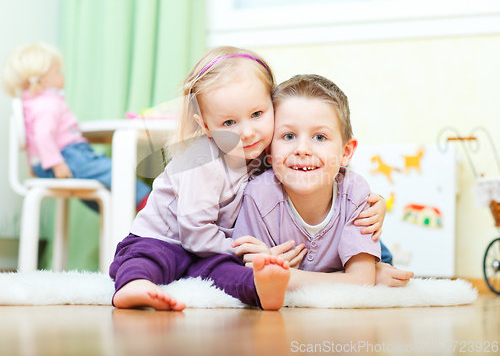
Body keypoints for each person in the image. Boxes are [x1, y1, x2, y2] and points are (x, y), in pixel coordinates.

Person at [108, 47, 388, 311]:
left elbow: (327, 183)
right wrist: (241, 250)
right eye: (229, 123)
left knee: (230, 274)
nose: (247, 132)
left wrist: (375, 204)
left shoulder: (265, 152)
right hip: (169, 238)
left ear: (273, 108)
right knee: (147, 258)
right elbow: (194, 233)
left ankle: (262, 290)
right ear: (206, 126)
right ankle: (133, 286)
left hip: (211, 249)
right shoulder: (201, 161)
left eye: (257, 114)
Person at [191, 74, 413, 306]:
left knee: (385, 263)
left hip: (349, 248)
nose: (303, 149)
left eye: (319, 137)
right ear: (270, 149)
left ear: (346, 151)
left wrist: (288, 276)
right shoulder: (258, 194)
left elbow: (360, 280)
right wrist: (351, 279)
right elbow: (252, 276)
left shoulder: (356, 191)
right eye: (288, 136)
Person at [1, 42, 151, 212]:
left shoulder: (32, 104)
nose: (62, 77)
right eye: (58, 72)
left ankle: (118, 211)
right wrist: (55, 163)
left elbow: (33, 139)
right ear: (43, 80)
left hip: (59, 159)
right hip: (68, 157)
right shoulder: (47, 104)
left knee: (98, 184)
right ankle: (145, 203)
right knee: (114, 170)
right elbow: (42, 136)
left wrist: (35, 163)